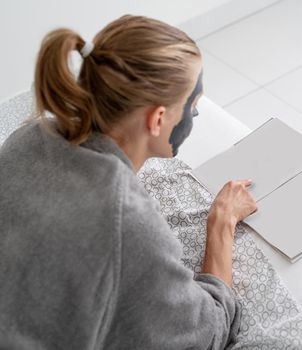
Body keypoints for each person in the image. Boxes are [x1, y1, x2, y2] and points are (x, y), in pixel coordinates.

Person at [0, 14, 258, 349]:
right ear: (157, 119)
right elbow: (207, 333)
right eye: (192, 107)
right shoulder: (127, 221)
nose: (194, 116)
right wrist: (221, 223)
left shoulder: (31, 134)